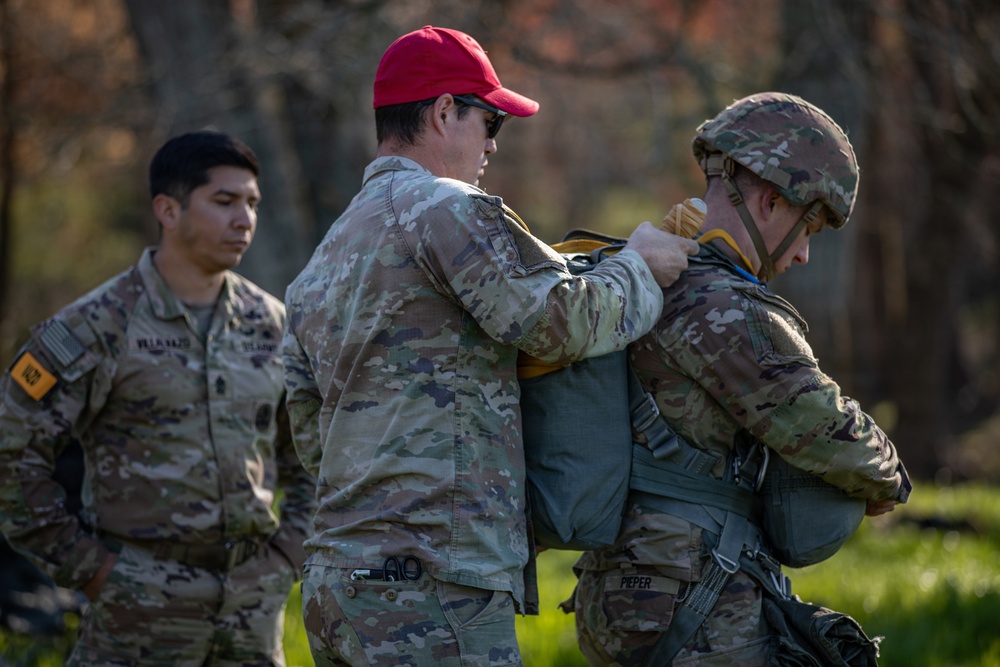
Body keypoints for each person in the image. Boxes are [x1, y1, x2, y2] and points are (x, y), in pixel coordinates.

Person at [281, 25, 699, 667]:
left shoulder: (323, 259)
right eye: (490, 121)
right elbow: (557, 321)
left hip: (337, 585)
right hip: (432, 584)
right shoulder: (446, 210)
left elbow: (313, 438)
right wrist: (639, 265)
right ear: (445, 112)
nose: (493, 146)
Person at [572, 92, 912, 666]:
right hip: (696, 601)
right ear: (771, 201)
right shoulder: (725, 309)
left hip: (628, 587)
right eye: (809, 228)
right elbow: (827, 429)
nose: (802, 254)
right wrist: (891, 480)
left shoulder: (646, 279)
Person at [0, 130, 316, 666]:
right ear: (168, 210)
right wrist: (92, 570)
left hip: (251, 613)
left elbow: (310, 455)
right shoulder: (95, 326)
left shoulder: (273, 324)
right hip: (136, 614)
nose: (244, 219)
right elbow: (12, 457)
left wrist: (286, 555)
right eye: (224, 201)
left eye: (252, 203)